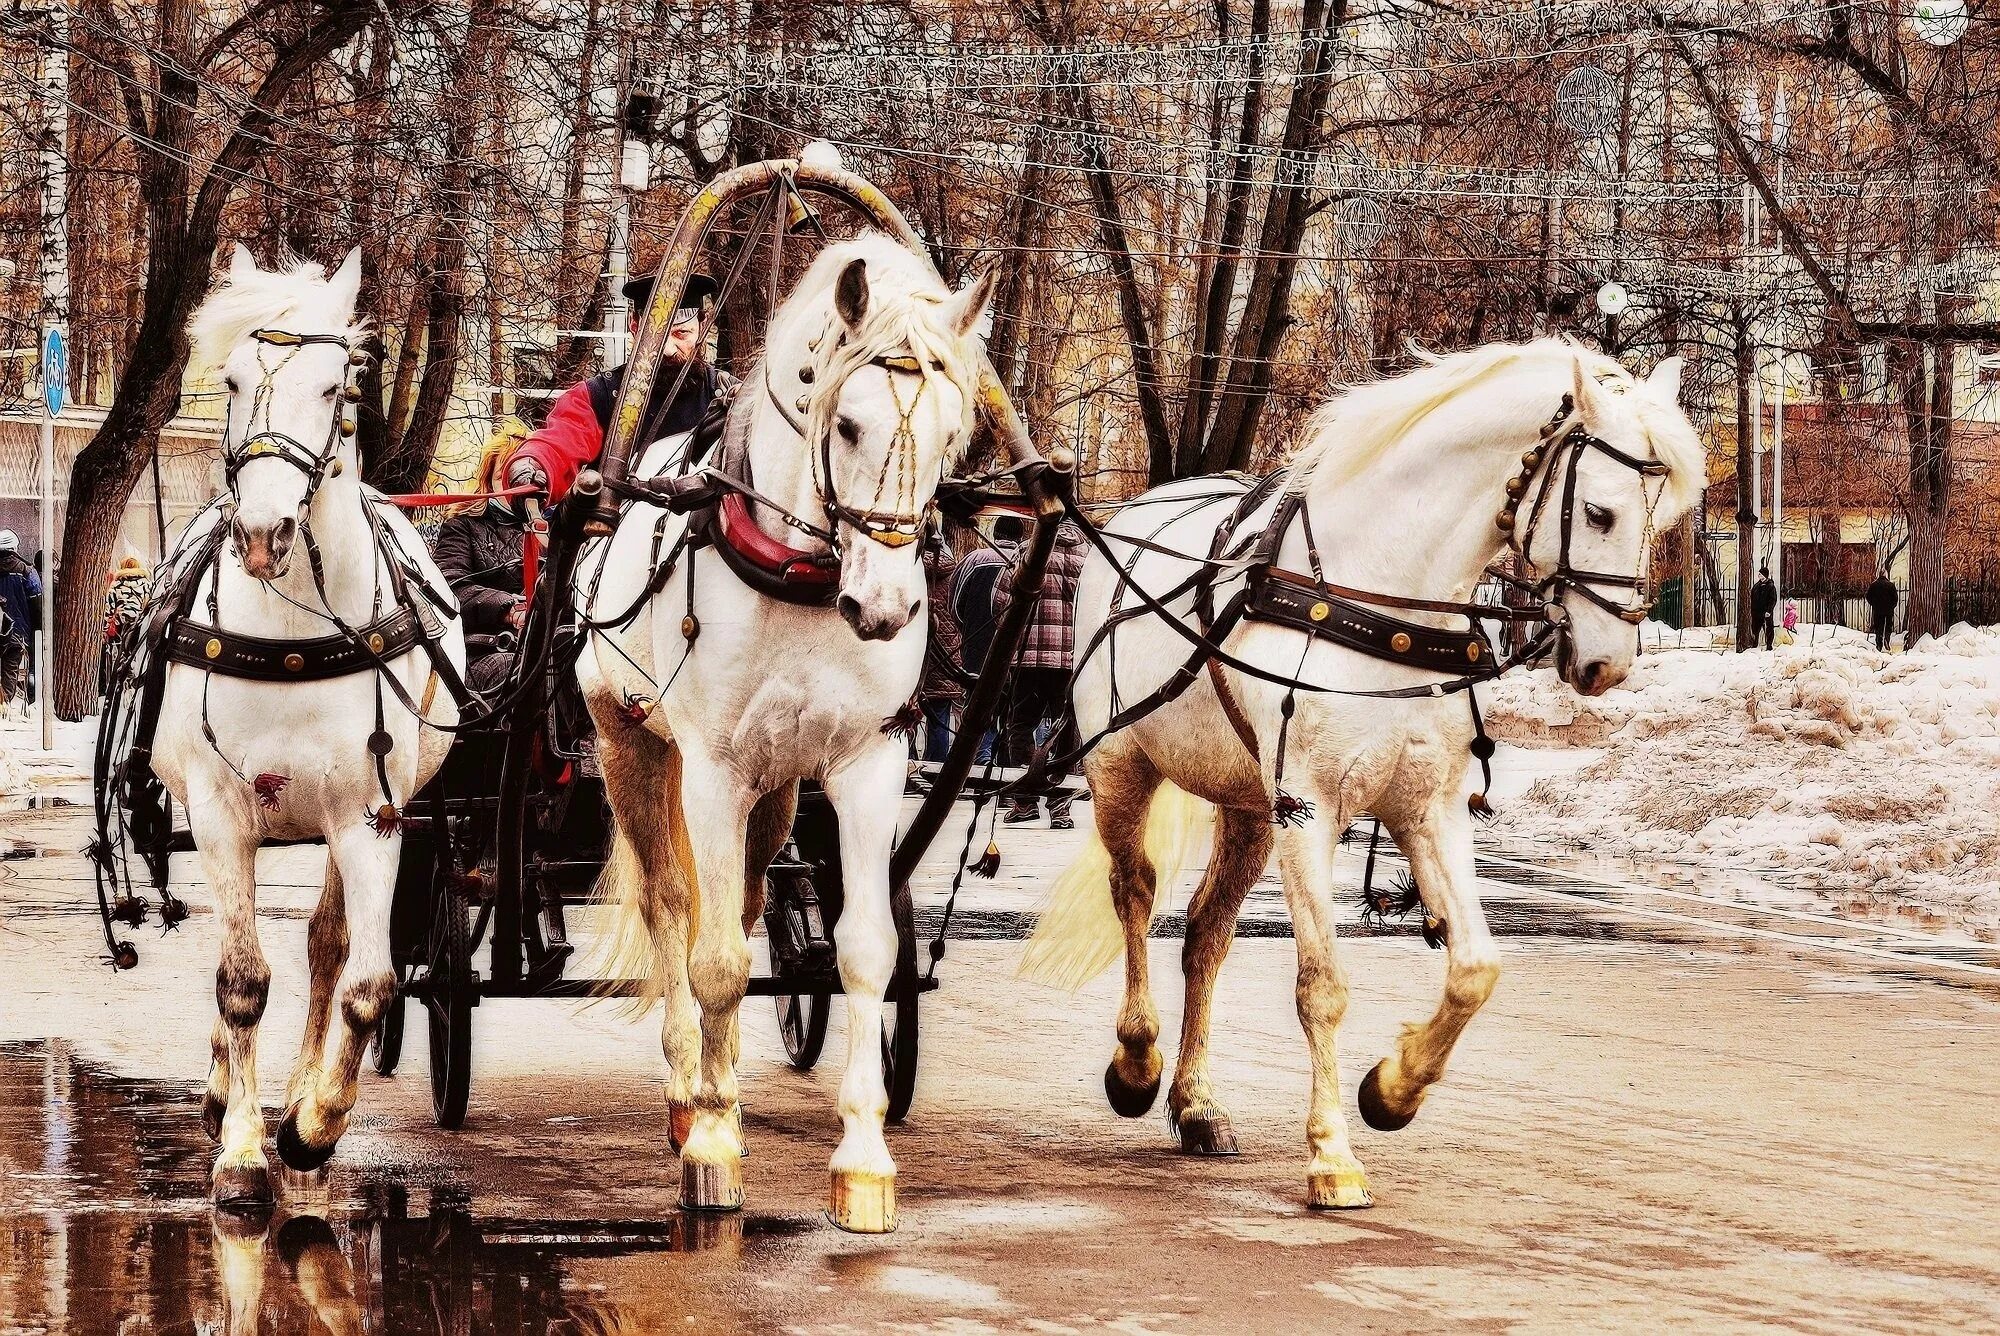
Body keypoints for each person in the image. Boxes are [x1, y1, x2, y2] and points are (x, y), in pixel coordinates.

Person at [506, 271, 735, 506]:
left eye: (681, 334)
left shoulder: (731, 396)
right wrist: (534, 463)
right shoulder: (598, 396)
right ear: (634, 326)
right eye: (655, 336)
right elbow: (560, 442)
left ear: (703, 326)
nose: (667, 349)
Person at [995, 520, 1088, 829]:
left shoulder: (1028, 551)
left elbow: (999, 601)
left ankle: (1024, 800)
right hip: (1071, 662)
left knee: (1020, 725)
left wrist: (1015, 637)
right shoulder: (1087, 557)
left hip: (1029, 659)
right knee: (1064, 732)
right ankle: (1060, 806)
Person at [435, 421, 534, 693]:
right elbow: (449, 587)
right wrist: (510, 609)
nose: (515, 486)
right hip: (482, 650)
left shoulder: (556, 530)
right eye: (506, 475)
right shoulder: (463, 524)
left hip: (548, 645)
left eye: (523, 478)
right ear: (488, 479)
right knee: (520, 671)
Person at [0, 531, 40, 717]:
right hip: (17, 629)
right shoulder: (27, 570)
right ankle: (5, 703)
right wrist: (36, 628)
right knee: (10, 668)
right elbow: (37, 602)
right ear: (14, 548)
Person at [1867, 569, 1899, 652]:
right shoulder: (1891, 585)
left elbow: (1868, 596)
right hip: (1888, 610)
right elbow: (1895, 598)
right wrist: (1892, 606)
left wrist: (1873, 604)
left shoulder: (1873, 585)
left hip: (1877, 610)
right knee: (1888, 626)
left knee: (1878, 626)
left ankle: (1879, 643)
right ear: (1886, 575)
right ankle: (1887, 640)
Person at [1749, 566, 1777, 651]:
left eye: (1760, 574)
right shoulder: (1756, 586)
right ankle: (1755, 643)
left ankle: (1769, 645)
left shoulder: (1770, 586)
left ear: (1764, 575)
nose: (1759, 575)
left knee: (1768, 628)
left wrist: (1769, 610)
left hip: (1766, 611)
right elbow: (1752, 597)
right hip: (1757, 611)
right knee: (1755, 628)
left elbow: (1773, 599)